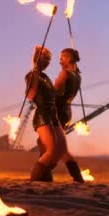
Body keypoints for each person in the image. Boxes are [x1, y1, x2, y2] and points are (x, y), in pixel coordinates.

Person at [25, 45, 67, 182]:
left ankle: (45, 172)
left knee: (61, 149)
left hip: (53, 114)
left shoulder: (47, 77)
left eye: (49, 60)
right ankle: (37, 177)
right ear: (38, 59)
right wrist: (35, 75)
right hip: (43, 115)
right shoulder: (31, 75)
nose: (48, 63)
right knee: (52, 150)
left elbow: (54, 94)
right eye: (46, 59)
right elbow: (30, 95)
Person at [49, 48, 84, 182]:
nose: (59, 61)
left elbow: (53, 91)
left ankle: (44, 172)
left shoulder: (65, 73)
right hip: (67, 111)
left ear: (69, 58)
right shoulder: (78, 76)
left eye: (62, 58)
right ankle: (76, 176)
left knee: (57, 146)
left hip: (57, 110)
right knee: (52, 143)